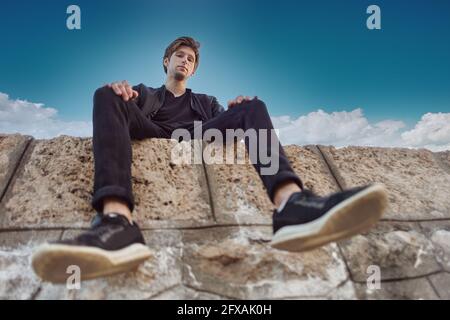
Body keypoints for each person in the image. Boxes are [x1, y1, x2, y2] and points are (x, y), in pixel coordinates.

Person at [32, 36, 387, 283]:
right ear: (166, 61)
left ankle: (291, 203)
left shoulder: (205, 101)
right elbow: (123, 111)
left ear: (194, 69)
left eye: (191, 58)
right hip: (153, 131)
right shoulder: (146, 94)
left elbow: (226, 127)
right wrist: (122, 94)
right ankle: (117, 222)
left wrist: (238, 112)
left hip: (194, 136)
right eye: (179, 56)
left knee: (253, 105)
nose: (185, 61)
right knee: (105, 93)